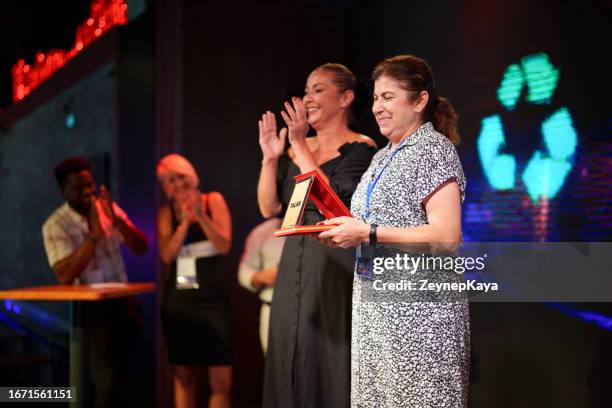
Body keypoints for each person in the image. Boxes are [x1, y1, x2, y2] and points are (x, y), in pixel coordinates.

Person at [319, 55, 470, 407]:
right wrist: (342, 231)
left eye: (388, 97)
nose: (377, 107)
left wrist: (369, 233)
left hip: (420, 317)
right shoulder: (382, 156)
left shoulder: (433, 150)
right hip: (377, 315)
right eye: (375, 97)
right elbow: (373, 225)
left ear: (419, 100)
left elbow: (446, 237)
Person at [257, 63, 377, 407]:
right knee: (287, 358)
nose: (308, 97)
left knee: (325, 359)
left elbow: (334, 203)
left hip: (332, 262)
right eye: (307, 90)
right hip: (292, 261)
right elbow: (269, 209)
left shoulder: (361, 148)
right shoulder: (295, 148)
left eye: (318, 89)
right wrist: (270, 159)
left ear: (346, 98)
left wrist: (299, 144)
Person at [41, 157, 148, 407]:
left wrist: (117, 220)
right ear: (63, 191)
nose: (88, 192)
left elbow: (142, 247)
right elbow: (64, 274)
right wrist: (94, 237)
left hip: (124, 305)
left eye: (90, 185)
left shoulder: (106, 207)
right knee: (106, 384)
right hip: (91, 313)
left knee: (128, 380)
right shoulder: (55, 225)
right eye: (79, 188)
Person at [156, 154, 232, 408]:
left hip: (212, 300)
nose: (177, 184)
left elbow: (224, 245)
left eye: (179, 177)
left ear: (190, 174)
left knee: (221, 381)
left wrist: (201, 216)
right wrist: (185, 224)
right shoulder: (166, 213)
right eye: (169, 181)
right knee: (183, 377)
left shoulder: (213, 200)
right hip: (179, 302)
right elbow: (167, 255)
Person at [237, 218, 285, 354]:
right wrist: (262, 276)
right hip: (273, 309)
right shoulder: (262, 232)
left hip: (312, 312)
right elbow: (244, 271)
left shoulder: (318, 227)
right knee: (276, 368)